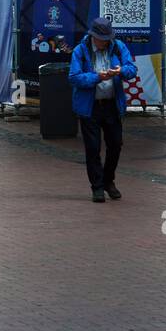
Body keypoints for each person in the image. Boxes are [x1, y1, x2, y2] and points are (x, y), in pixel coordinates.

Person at [69, 17, 137, 203]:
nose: (104, 42)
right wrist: (97, 77)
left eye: (106, 39)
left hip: (112, 104)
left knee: (116, 145)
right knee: (93, 149)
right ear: (93, 36)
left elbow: (132, 69)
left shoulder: (118, 47)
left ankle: (108, 180)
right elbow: (74, 77)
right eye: (101, 39)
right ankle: (97, 187)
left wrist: (120, 70)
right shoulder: (80, 50)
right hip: (89, 107)